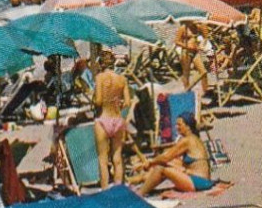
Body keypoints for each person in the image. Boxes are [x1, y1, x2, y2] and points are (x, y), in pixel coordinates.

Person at [137, 114, 215, 195]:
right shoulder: (194, 138)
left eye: (179, 125)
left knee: (161, 167)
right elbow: (170, 157)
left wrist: (150, 162)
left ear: (188, 127)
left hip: (198, 182)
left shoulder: (187, 140)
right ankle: (143, 182)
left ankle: (140, 194)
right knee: (171, 162)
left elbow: (166, 157)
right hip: (203, 180)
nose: (176, 127)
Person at [92, 51, 131, 186]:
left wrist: (92, 99)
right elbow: (127, 102)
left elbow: (98, 101)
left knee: (103, 160)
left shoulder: (100, 78)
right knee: (117, 158)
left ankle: (105, 191)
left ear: (101, 63)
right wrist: (117, 104)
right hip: (117, 119)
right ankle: (119, 189)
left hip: (104, 118)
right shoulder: (122, 79)